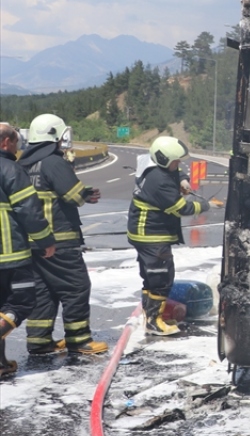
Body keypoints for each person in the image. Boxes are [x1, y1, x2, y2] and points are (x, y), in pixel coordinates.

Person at [19, 114, 109, 356]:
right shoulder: (53, 162)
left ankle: (38, 341)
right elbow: (73, 195)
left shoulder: (24, 165)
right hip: (59, 240)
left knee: (44, 290)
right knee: (76, 287)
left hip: (32, 241)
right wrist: (85, 193)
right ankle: (79, 340)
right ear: (55, 137)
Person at [128, 136, 221, 335]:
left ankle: (151, 317)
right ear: (163, 160)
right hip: (151, 235)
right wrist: (205, 205)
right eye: (176, 161)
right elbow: (180, 208)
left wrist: (183, 180)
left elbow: (175, 172)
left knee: (151, 278)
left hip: (145, 233)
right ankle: (154, 322)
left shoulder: (150, 163)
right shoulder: (159, 181)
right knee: (161, 278)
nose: (179, 165)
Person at [1, 123, 59, 376]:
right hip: (10, 254)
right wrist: (45, 240)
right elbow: (29, 210)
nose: (18, 146)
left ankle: (1, 365)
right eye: (15, 141)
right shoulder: (10, 168)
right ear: (5, 142)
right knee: (22, 303)